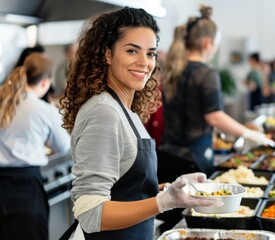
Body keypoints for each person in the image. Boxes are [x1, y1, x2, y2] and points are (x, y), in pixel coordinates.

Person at [59, 7, 222, 239]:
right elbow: (90, 212)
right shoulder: (104, 112)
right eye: (132, 51)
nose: (144, 62)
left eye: (151, 53)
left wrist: (168, 190)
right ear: (107, 54)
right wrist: (163, 202)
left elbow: (124, 191)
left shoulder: (126, 110)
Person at [160, 5, 273, 178]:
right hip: (193, 159)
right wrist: (249, 133)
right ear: (207, 42)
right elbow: (214, 116)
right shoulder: (206, 73)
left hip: (166, 155)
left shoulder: (172, 70)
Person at [0, 53, 70, 240]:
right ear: (45, 83)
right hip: (25, 187)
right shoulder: (44, 110)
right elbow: (63, 146)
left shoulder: (3, 100)